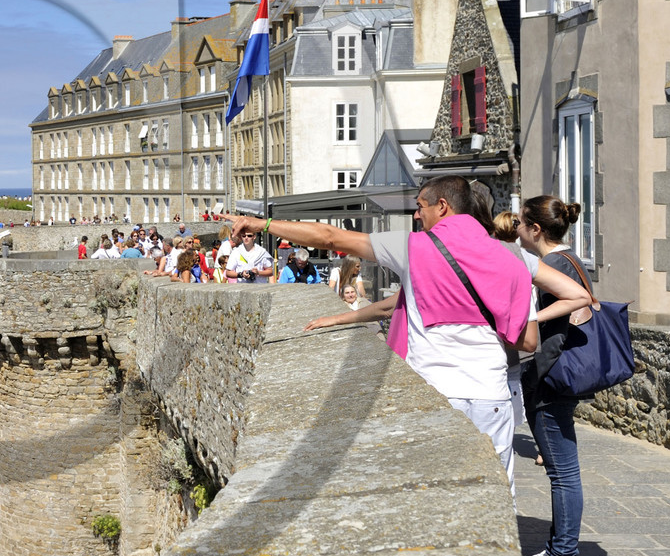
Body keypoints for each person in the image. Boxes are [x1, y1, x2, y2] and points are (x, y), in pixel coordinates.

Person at [230, 176, 538, 486]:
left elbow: (330, 237)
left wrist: (263, 224)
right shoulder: (511, 257)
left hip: (437, 391)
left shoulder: (413, 247)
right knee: (497, 492)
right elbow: (537, 328)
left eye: (421, 207)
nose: (417, 215)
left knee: (431, 489)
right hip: (492, 396)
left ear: (443, 207)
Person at [517, 195, 594, 556]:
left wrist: (529, 317)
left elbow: (572, 309)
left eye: (519, 224)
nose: (515, 231)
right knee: (562, 470)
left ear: (535, 229)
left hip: (552, 377)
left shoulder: (554, 265)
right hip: (561, 377)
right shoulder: (573, 260)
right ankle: (556, 553)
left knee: (563, 472)